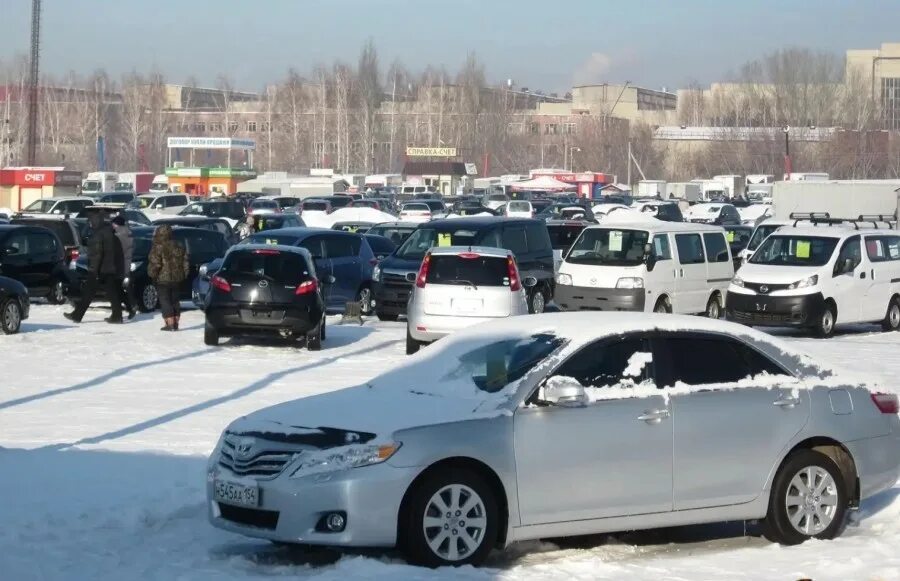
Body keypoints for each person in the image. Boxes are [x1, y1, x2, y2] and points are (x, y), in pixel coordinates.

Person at [65, 213, 125, 324]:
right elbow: (118, 253)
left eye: (91, 222)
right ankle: (117, 316)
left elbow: (97, 254)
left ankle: (77, 315)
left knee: (88, 293)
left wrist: (94, 270)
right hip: (110, 268)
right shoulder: (111, 233)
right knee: (112, 293)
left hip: (99, 269)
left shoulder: (98, 235)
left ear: (95, 222)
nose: (90, 225)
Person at [148, 225, 189, 331]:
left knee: (165, 300)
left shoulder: (158, 246)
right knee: (175, 300)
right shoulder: (179, 245)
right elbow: (186, 262)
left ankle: (170, 324)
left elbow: (155, 264)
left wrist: (152, 274)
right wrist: (184, 274)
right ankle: (176, 324)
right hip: (177, 278)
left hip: (163, 278)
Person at [112, 215, 136, 319]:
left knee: (117, 290)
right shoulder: (128, 233)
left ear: (116, 224)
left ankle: (126, 309)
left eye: (113, 223)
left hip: (119, 266)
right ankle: (129, 308)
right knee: (120, 289)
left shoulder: (118, 235)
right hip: (126, 266)